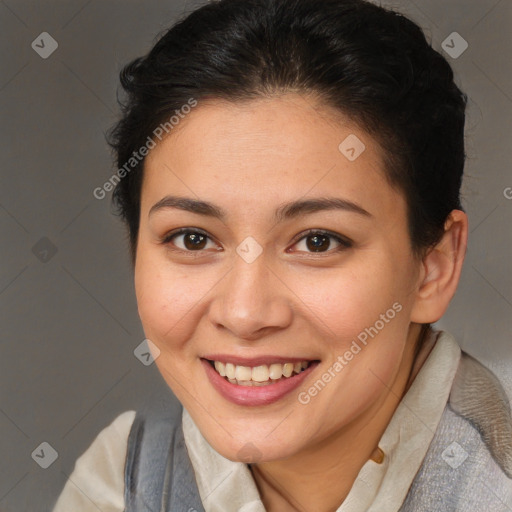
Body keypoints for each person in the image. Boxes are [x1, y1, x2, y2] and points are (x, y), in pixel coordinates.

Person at [52, 0, 512, 510]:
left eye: (318, 241)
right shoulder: (122, 481)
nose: (245, 314)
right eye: (193, 239)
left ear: (434, 267)